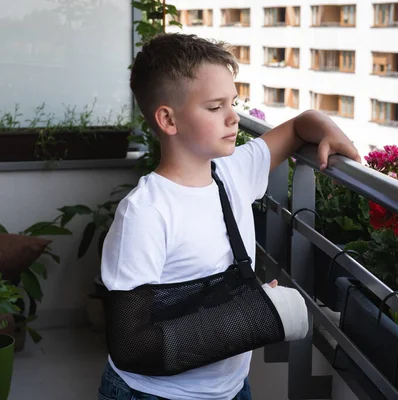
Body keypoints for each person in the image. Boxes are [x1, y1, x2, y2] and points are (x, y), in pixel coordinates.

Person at [97, 33, 361, 400]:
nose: (233, 117)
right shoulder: (145, 214)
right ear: (168, 120)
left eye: (233, 102)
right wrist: (254, 318)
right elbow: (131, 346)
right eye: (215, 106)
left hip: (233, 389)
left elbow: (301, 125)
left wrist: (328, 130)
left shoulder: (234, 172)